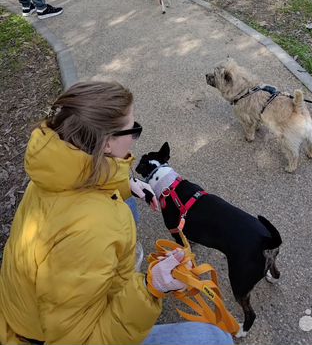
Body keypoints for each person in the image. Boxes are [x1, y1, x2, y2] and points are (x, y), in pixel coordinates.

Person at [0, 81, 233, 345]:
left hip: (24, 314)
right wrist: (151, 287)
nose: (135, 138)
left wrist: (124, 184)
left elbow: (78, 201)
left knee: (127, 205)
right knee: (215, 337)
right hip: (45, 337)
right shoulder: (92, 232)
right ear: (107, 144)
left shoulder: (52, 173)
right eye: (133, 130)